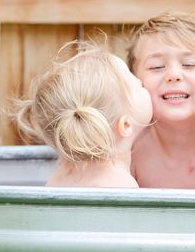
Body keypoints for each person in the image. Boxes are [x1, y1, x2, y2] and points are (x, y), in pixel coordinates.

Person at [12, 41, 152, 188]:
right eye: (138, 86)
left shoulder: (57, 178)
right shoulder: (121, 185)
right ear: (125, 125)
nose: (140, 80)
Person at [127, 12, 195, 189]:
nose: (173, 75)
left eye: (189, 64)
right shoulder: (131, 150)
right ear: (135, 82)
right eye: (157, 66)